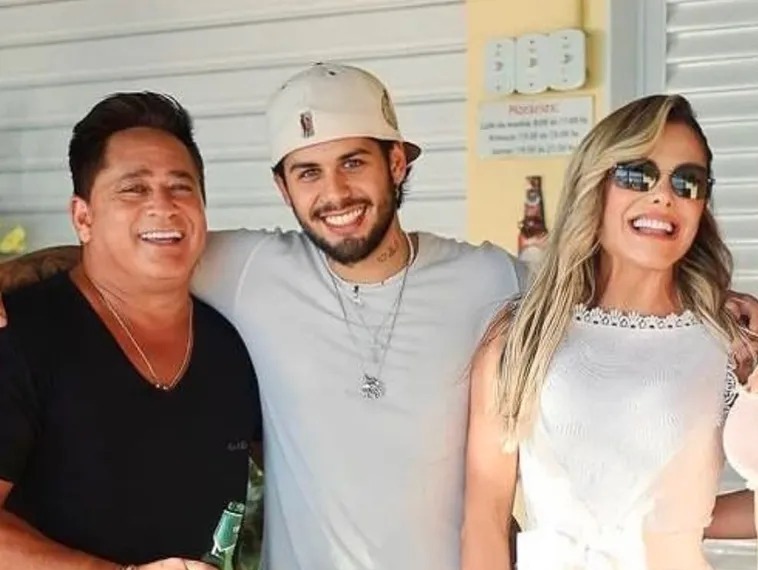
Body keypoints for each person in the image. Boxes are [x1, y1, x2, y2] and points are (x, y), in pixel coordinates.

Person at [3, 65, 758, 570]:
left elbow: (606, 296)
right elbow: (130, 248)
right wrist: (7, 279)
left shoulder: (490, 280)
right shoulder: (249, 268)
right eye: (308, 171)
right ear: (283, 188)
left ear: (398, 163)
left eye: (355, 162)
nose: (334, 192)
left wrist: (713, 301)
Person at [461, 93, 757, 570]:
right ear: (595, 185)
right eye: (637, 174)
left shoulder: (730, 343)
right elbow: (484, 520)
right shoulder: (522, 336)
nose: (664, 196)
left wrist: (683, 519)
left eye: (688, 182)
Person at [0, 93, 262, 569]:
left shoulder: (234, 344)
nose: (163, 206)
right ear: (83, 218)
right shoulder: (17, 339)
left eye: (181, 187)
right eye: (134, 189)